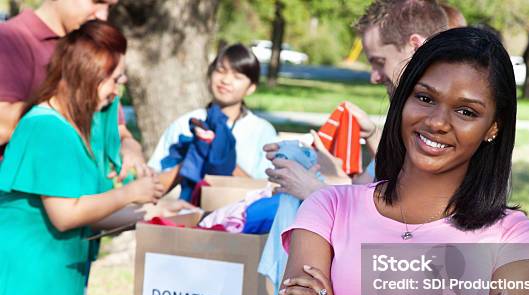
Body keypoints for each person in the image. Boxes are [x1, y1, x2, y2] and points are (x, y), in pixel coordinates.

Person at [277, 27, 529, 295]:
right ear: (403, 100)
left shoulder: (517, 240)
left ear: (493, 127)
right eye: (425, 97)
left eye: (466, 111)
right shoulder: (328, 209)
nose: (438, 122)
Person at [0, 20, 164, 295]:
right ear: (88, 74)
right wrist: (128, 194)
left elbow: (86, 211)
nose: (117, 89)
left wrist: (146, 217)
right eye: (114, 79)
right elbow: (65, 215)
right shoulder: (46, 126)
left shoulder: (73, 127)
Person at [264, 0, 453, 198]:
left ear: (415, 47)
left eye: (380, 62)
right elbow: (366, 186)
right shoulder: (409, 114)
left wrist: (313, 191)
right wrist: (371, 135)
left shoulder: (434, 123)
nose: (374, 77)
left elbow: (403, 208)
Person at [0, 0, 150, 181]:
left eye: (109, 7)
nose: (103, 16)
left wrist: (130, 146)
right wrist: (71, 104)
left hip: (86, 198)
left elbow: (117, 129)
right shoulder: (9, 39)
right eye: (97, 2)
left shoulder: (94, 46)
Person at [148, 43, 278, 183]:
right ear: (210, 75)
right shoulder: (187, 123)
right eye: (220, 71)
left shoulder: (263, 131)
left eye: (237, 76)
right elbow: (154, 178)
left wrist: (224, 159)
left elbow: (267, 190)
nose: (226, 80)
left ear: (251, 87)